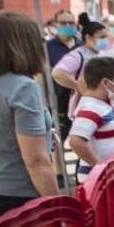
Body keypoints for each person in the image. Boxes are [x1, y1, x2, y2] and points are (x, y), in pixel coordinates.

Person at [0, 12, 58, 221]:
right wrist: (57, 207)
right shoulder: (24, 88)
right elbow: (36, 161)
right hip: (23, 199)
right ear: (28, 45)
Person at [67, 56, 114, 183]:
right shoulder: (90, 108)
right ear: (105, 83)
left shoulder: (100, 104)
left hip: (108, 177)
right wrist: (99, 167)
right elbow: (75, 141)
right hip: (98, 180)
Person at [51, 14, 109, 122]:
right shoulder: (77, 55)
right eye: (101, 37)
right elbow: (57, 73)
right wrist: (81, 87)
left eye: (106, 37)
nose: (105, 40)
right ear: (88, 38)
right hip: (83, 109)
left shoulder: (102, 53)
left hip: (101, 108)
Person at [45, 9, 81, 137]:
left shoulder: (82, 45)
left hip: (80, 101)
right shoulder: (47, 47)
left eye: (71, 23)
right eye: (63, 23)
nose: (67, 26)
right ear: (56, 24)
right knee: (61, 137)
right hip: (57, 102)